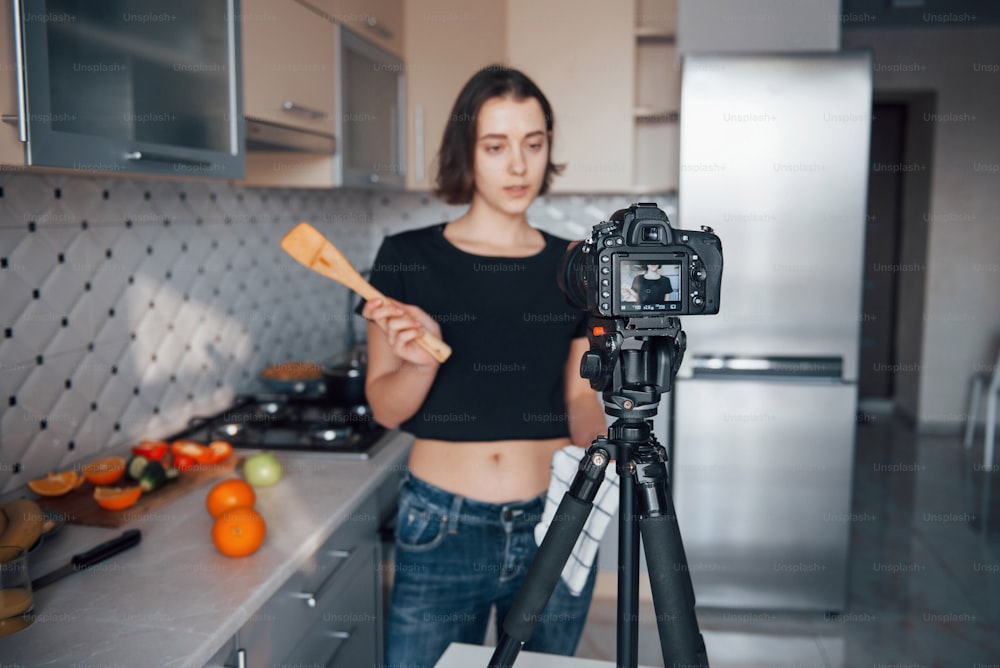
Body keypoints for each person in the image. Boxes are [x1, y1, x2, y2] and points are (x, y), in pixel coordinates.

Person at [359, 65, 607, 668]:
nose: (519, 166)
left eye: (534, 143)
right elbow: (385, 408)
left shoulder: (577, 266)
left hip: (557, 519)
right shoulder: (406, 258)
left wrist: (609, 446)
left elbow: (581, 400)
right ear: (466, 153)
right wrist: (419, 364)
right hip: (441, 525)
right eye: (496, 147)